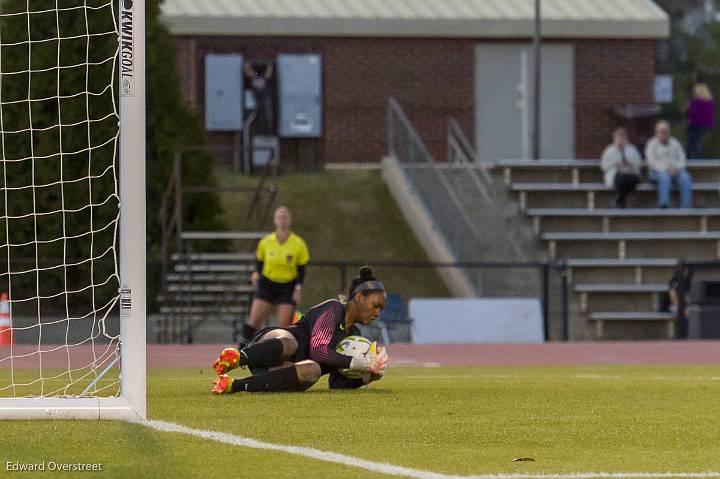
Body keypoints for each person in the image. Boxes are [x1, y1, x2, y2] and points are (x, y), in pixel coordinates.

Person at [212, 267, 389, 393]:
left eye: (381, 309)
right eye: (375, 305)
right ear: (358, 297)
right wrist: (358, 362)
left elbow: (336, 383)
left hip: (279, 369)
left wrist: (365, 376)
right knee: (290, 343)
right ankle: (239, 357)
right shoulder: (333, 309)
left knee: (312, 371)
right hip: (272, 344)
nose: (377, 313)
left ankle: (234, 385)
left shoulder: (354, 335)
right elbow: (319, 351)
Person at [240, 206, 310, 346]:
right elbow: (259, 262)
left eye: (285, 217)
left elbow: (301, 269)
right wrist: (256, 274)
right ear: (275, 220)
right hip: (267, 284)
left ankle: (280, 356)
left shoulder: (299, 244)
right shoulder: (266, 241)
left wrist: (298, 289)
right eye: (279, 217)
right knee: (253, 322)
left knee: (284, 327)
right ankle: (241, 352)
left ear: (290, 220)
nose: (282, 220)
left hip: (287, 286)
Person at [645, 120, 693, 209]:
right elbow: (651, 162)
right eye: (661, 132)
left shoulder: (675, 143)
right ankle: (664, 204)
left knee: (686, 177)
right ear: (657, 132)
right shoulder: (651, 144)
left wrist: (677, 168)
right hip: (657, 172)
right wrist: (666, 170)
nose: (664, 134)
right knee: (665, 177)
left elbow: (682, 159)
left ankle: (686, 206)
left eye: (665, 131)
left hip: (676, 171)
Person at [600, 127, 643, 208]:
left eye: (623, 138)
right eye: (618, 138)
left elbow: (638, 163)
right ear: (615, 139)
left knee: (634, 180)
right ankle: (621, 201)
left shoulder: (631, 149)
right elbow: (604, 165)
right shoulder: (609, 150)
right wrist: (615, 163)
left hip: (630, 173)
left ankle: (619, 199)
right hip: (616, 173)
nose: (620, 140)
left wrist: (629, 162)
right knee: (622, 180)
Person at [686, 83, 715, 159]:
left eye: (695, 92)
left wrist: (688, 106)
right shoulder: (710, 102)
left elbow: (690, 112)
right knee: (696, 141)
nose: (694, 94)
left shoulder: (696, 101)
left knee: (693, 142)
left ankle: (696, 159)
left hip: (696, 125)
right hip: (707, 126)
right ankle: (693, 158)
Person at [244, 61, 274, 134]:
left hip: (266, 99)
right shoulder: (255, 76)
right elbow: (248, 71)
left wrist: (270, 66)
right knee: (260, 116)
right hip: (257, 100)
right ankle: (262, 131)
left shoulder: (261, 76)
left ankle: (269, 131)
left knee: (268, 115)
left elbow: (268, 74)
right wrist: (247, 67)